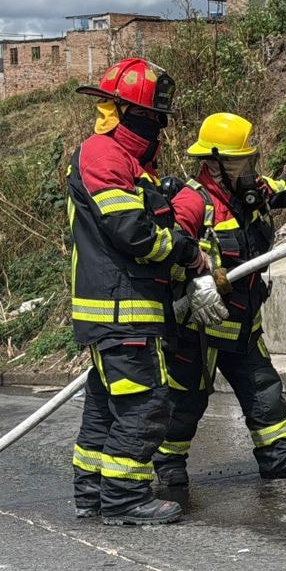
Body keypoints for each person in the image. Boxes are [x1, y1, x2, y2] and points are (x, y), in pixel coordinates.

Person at [67, 58, 226, 525]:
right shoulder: (105, 154)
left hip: (119, 309)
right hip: (123, 310)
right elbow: (133, 232)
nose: (159, 126)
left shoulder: (132, 163)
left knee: (105, 405)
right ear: (129, 112)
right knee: (146, 404)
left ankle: (94, 493)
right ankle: (124, 498)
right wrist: (188, 253)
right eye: (155, 116)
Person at [158, 113, 286, 487]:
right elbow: (169, 251)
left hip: (244, 325)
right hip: (199, 329)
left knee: (265, 392)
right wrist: (195, 278)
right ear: (213, 164)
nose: (248, 169)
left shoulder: (247, 194)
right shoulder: (192, 202)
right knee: (186, 401)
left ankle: (278, 459)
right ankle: (168, 463)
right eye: (239, 162)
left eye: (250, 160)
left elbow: (282, 188)